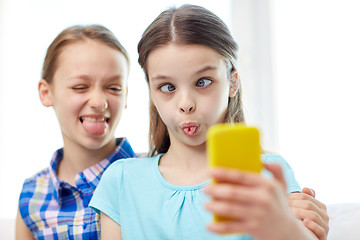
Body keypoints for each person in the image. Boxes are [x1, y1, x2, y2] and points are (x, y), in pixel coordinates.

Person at [90, 4, 328, 240]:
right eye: (167, 87)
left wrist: (291, 231)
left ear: (232, 83)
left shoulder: (268, 175)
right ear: (151, 91)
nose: (186, 103)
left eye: (202, 82)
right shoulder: (121, 181)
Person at [15, 24, 136, 240]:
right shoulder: (31, 195)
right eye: (80, 87)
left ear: (126, 95)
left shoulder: (156, 173)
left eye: (114, 88)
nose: (99, 102)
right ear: (46, 92)